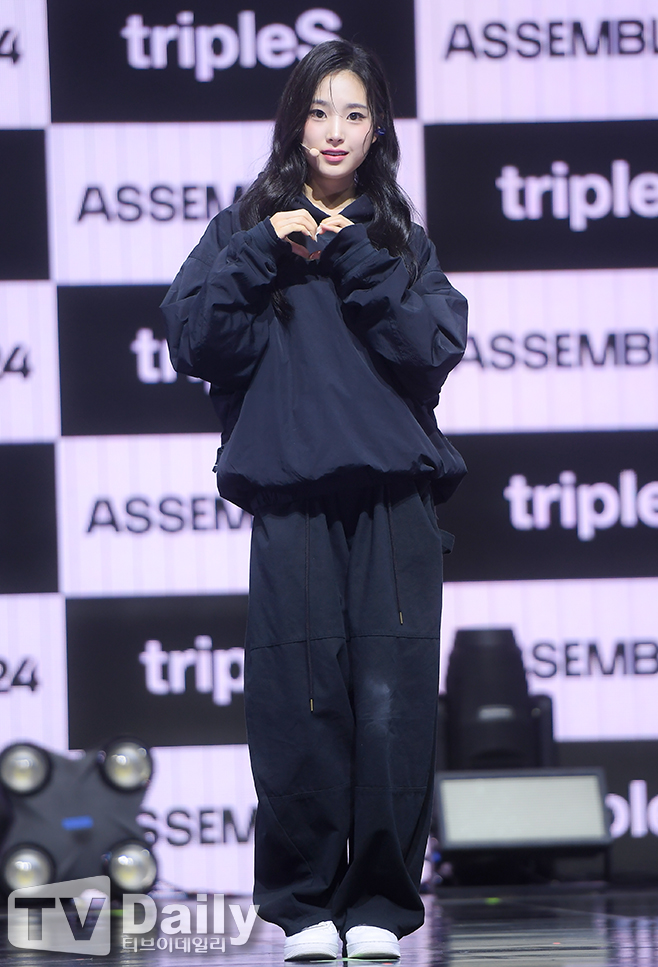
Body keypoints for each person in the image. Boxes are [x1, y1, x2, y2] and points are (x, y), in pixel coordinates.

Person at [161, 39, 467, 963]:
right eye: (320, 111)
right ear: (295, 122)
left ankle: (378, 902)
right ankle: (303, 908)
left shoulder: (399, 240)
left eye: (355, 114)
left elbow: (432, 349)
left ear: (378, 131)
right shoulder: (241, 230)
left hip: (394, 504)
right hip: (291, 501)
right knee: (295, 708)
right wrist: (266, 248)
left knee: (391, 708)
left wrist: (354, 259)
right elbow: (197, 339)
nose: (335, 131)